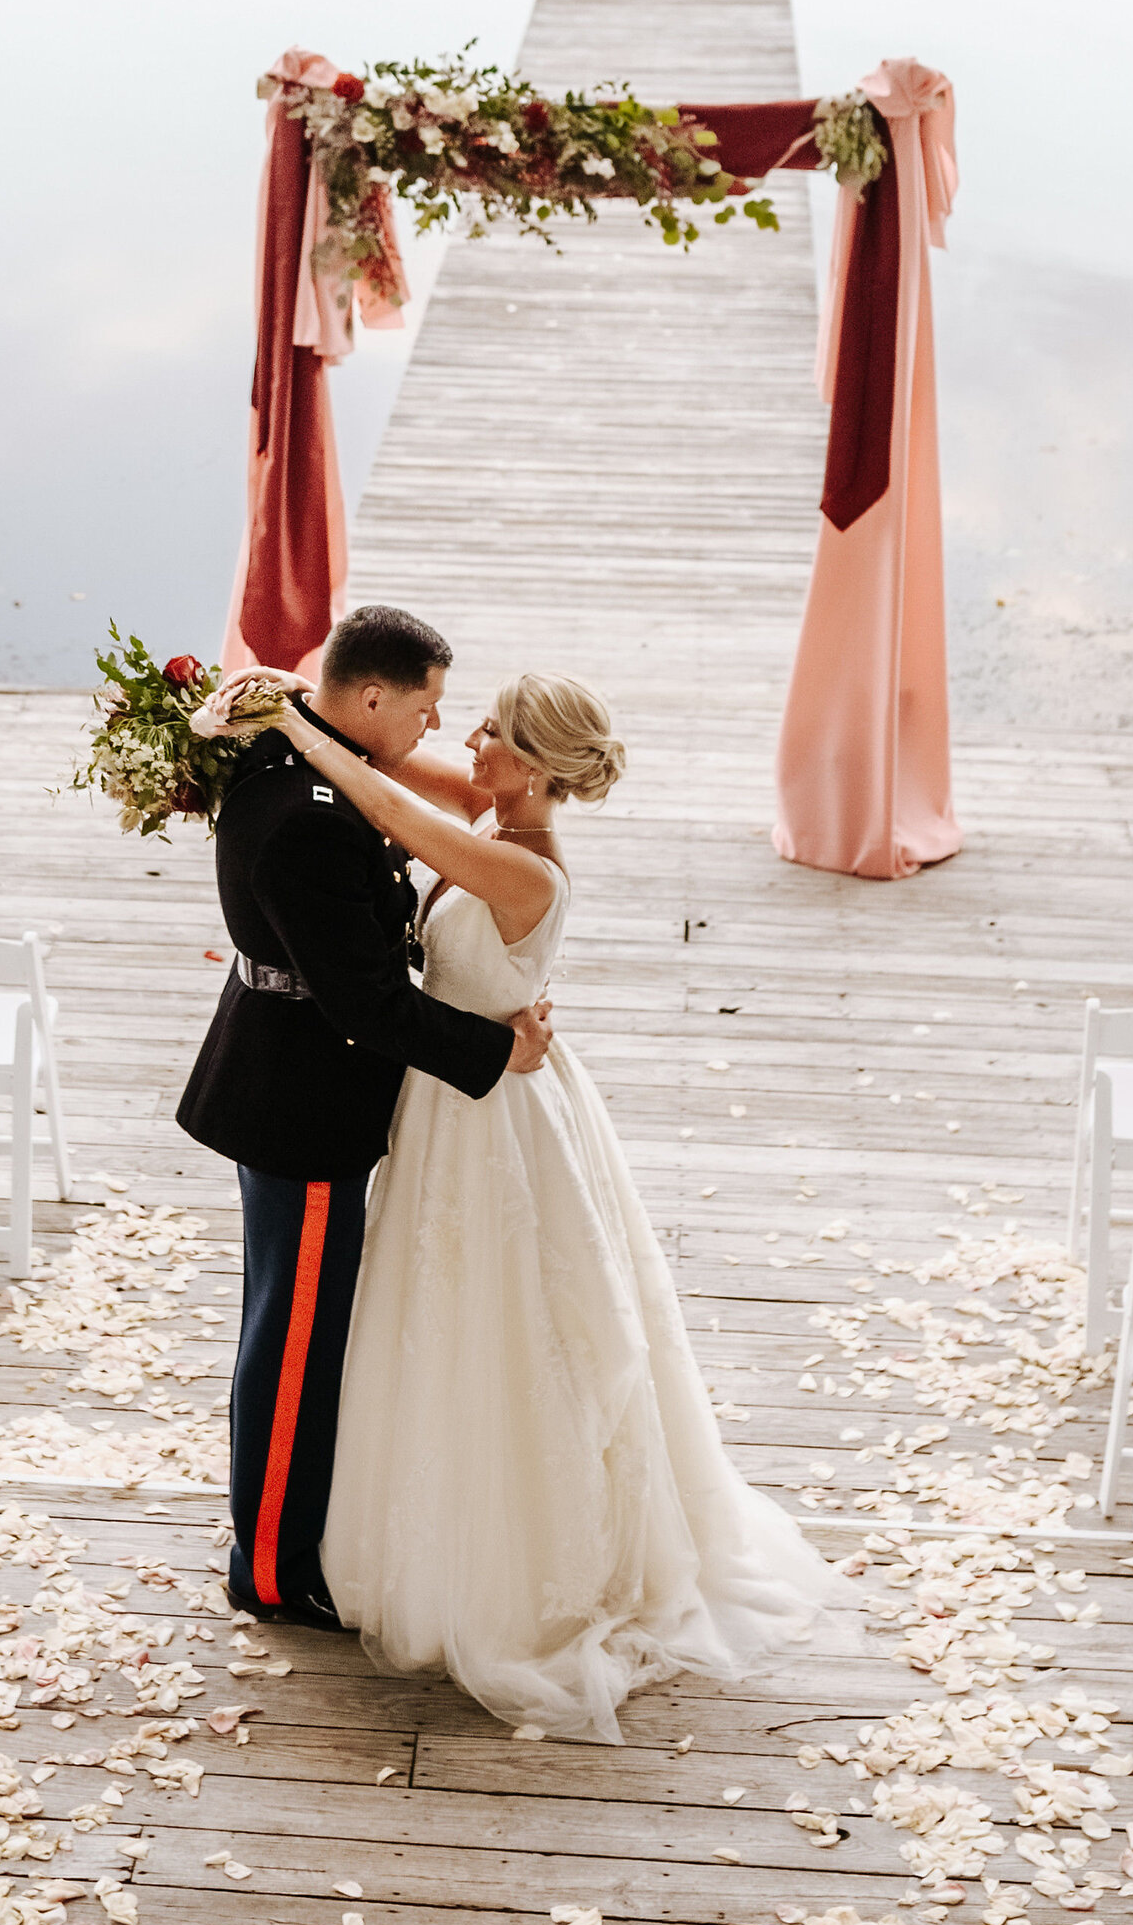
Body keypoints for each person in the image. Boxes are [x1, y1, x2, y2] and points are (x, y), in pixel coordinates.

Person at [287, 669, 860, 1738]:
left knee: (516, 1320)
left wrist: (287, 729)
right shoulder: (490, 813)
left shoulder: (521, 870)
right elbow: (387, 761)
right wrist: (302, 701)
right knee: (446, 1310)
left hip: (496, 1117)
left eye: (493, 731)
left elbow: (386, 805)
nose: (470, 738)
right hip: (464, 1093)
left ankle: (526, 1567)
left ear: (539, 767)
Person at [177, 600, 553, 1626]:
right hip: (302, 1101)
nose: (436, 727)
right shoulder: (307, 815)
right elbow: (365, 1003)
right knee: (290, 1339)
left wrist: (291, 700)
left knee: (283, 1323)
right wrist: (496, 1047)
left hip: (284, 1078)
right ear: (374, 694)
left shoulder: (298, 757)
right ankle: (267, 1567)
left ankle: (282, 1530)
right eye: (427, 707)